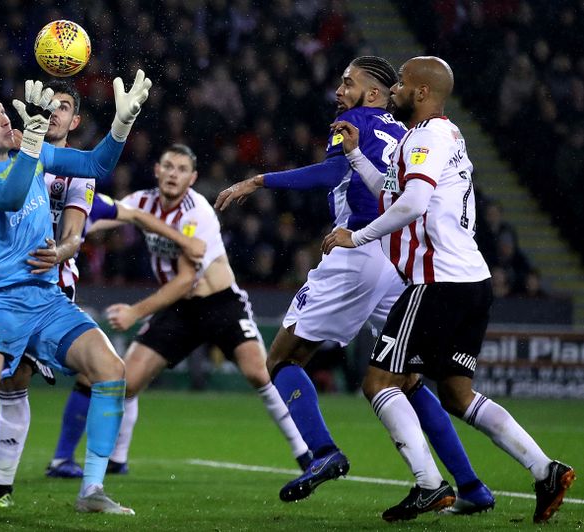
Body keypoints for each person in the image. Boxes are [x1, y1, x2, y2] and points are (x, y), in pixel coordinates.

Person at [214, 56, 493, 513]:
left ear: (376, 94)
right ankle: (471, 486)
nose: (339, 91)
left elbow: (331, 173)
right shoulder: (410, 133)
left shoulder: (350, 122)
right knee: (405, 378)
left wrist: (258, 180)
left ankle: (323, 453)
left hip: (358, 251)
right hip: (399, 258)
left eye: (349, 83)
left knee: (282, 357)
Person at [0, 81, 204, 510]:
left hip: (46, 285)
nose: (55, 114)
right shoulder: (13, 146)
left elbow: (76, 233)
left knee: (11, 384)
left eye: (65, 108)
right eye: (52, 105)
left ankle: (1, 484)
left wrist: (60, 251)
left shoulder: (73, 172)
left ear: (74, 121)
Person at [324, 55, 575, 523]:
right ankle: (545, 470)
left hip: (437, 282)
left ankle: (429, 485)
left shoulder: (428, 136)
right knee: (458, 395)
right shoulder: (435, 138)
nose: (393, 89)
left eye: (400, 83)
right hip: (470, 281)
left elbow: (414, 202)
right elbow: (394, 191)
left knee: (379, 382)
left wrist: (355, 237)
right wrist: (357, 156)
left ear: (421, 92)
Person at [101, 144, 311, 473]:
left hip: (220, 303)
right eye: (168, 166)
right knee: (128, 382)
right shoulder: (142, 202)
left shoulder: (197, 211)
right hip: (179, 309)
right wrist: (74, 226)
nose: (173, 173)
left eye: (181, 169)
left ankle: (305, 453)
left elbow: (186, 280)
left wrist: (134, 312)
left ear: (193, 177)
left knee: (258, 372)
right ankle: (117, 460)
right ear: (156, 170)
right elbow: (104, 213)